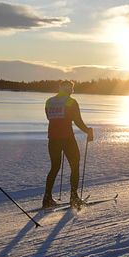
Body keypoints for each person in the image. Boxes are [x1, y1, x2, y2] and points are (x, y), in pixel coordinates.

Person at [43, 80, 94, 208]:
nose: (72, 90)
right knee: (75, 165)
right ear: (69, 89)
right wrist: (88, 131)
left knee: (54, 167)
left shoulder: (49, 101)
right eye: (71, 88)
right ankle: (73, 197)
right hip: (67, 138)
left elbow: (49, 118)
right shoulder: (71, 102)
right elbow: (77, 121)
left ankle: (47, 198)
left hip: (53, 138)